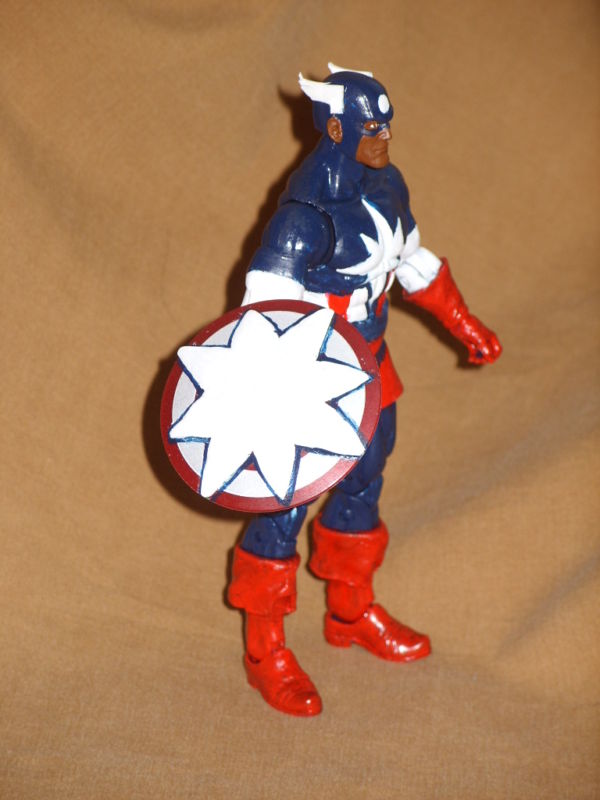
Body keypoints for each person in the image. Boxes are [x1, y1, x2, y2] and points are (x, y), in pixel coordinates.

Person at [227, 64, 502, 716]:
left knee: (365, 479)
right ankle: (264, 651)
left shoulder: (387, 186)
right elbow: (263, 306)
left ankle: (350, 613)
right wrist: (274, 388)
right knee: (283, 504)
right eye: (370, 127)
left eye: (386, 125)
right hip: (308, 380)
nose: (383, 137)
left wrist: (463, 323)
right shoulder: (303, 216)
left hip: (372, 368)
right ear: (335, 129)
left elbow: (411, 262)